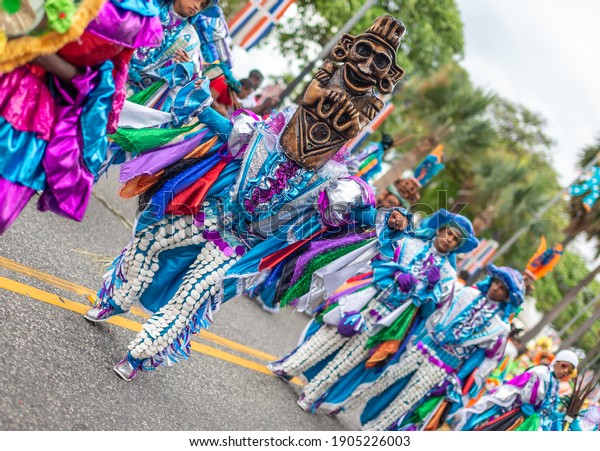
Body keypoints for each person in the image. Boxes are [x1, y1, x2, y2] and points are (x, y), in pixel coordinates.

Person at [84, 15, 408, 382]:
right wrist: (202, 108)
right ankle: (114, 299)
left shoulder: (336, 182)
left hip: (242, 245)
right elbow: (229, 133)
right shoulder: (266, 131)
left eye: (379, 62)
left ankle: (142, 353)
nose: (365, 66)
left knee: (197, 292)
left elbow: (347, 219)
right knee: (148, 241)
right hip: (212, 211)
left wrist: (384, 221)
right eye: (363, 53)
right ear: (343, 52)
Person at [268, 209, 478, 413]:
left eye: (455, 239)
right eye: (449, 232)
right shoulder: (408, 242)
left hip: (394, 321)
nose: (449, 239)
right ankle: (289, 367)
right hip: (368, 299)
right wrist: (395, 273)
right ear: (440, 229)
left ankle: (312, 394)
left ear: (457, 246)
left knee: (352, 357)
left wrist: (431, 289)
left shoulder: (448, 275)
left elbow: (430, 311)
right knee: (330, 334)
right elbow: (379, 260)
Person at [0, 0, 162, 234]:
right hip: (30, 95)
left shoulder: (133, 15)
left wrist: (37, 49)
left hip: (39, 107)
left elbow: (110, 72)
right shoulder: (139, 15)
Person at [344, 265, 524, 431]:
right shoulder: (465, 293)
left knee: (407, 400)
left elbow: (480, 356)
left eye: (502, 288)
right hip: (424, 347)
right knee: (386, 379)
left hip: (444, 365)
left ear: (507, 297)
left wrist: (457, 379)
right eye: (496, 283)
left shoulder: (499, 327)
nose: (495, 288)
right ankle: (345, 404)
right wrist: (419, 339)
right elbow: (436, 315)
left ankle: (375, 431)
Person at [451, 350, 578, 431]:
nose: (565, 371)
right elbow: (516, 389)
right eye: (564, 366)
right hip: (514, 416)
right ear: (556, 362)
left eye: (569, 371)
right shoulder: (539, 372)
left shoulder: (556, 385)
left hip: (534, 425)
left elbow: (548, 410)